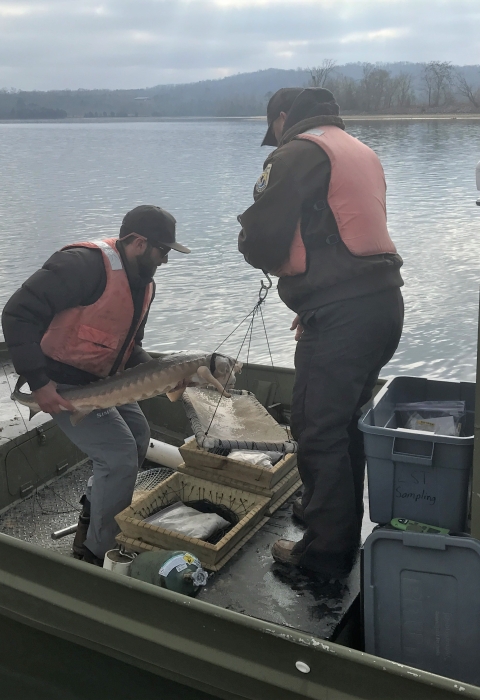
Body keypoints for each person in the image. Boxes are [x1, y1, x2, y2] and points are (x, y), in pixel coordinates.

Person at [237, 88, 404, 578]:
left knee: (316, 427)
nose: (275, 140)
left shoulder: (298, 152)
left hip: (344, 317)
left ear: (284, 118)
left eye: (274, 130)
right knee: (344, 420)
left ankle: (324, 556)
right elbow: (346, 235)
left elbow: (263, 236)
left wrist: (252, 246)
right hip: (379, 307)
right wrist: (315, 301)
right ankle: (328, 517)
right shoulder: (358, 150)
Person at [2, 205, 190, 565]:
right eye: (162, 250)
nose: (165, 259)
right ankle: (97, 554)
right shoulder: (80, 266)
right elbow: (17, 313)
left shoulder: (143, 283)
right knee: (119, 456)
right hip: (62, 383)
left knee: (137, 436)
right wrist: (40, 384)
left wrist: (162, 372)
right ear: (138, 242)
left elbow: (129, 346)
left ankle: (91, 516)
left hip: (103, 378)